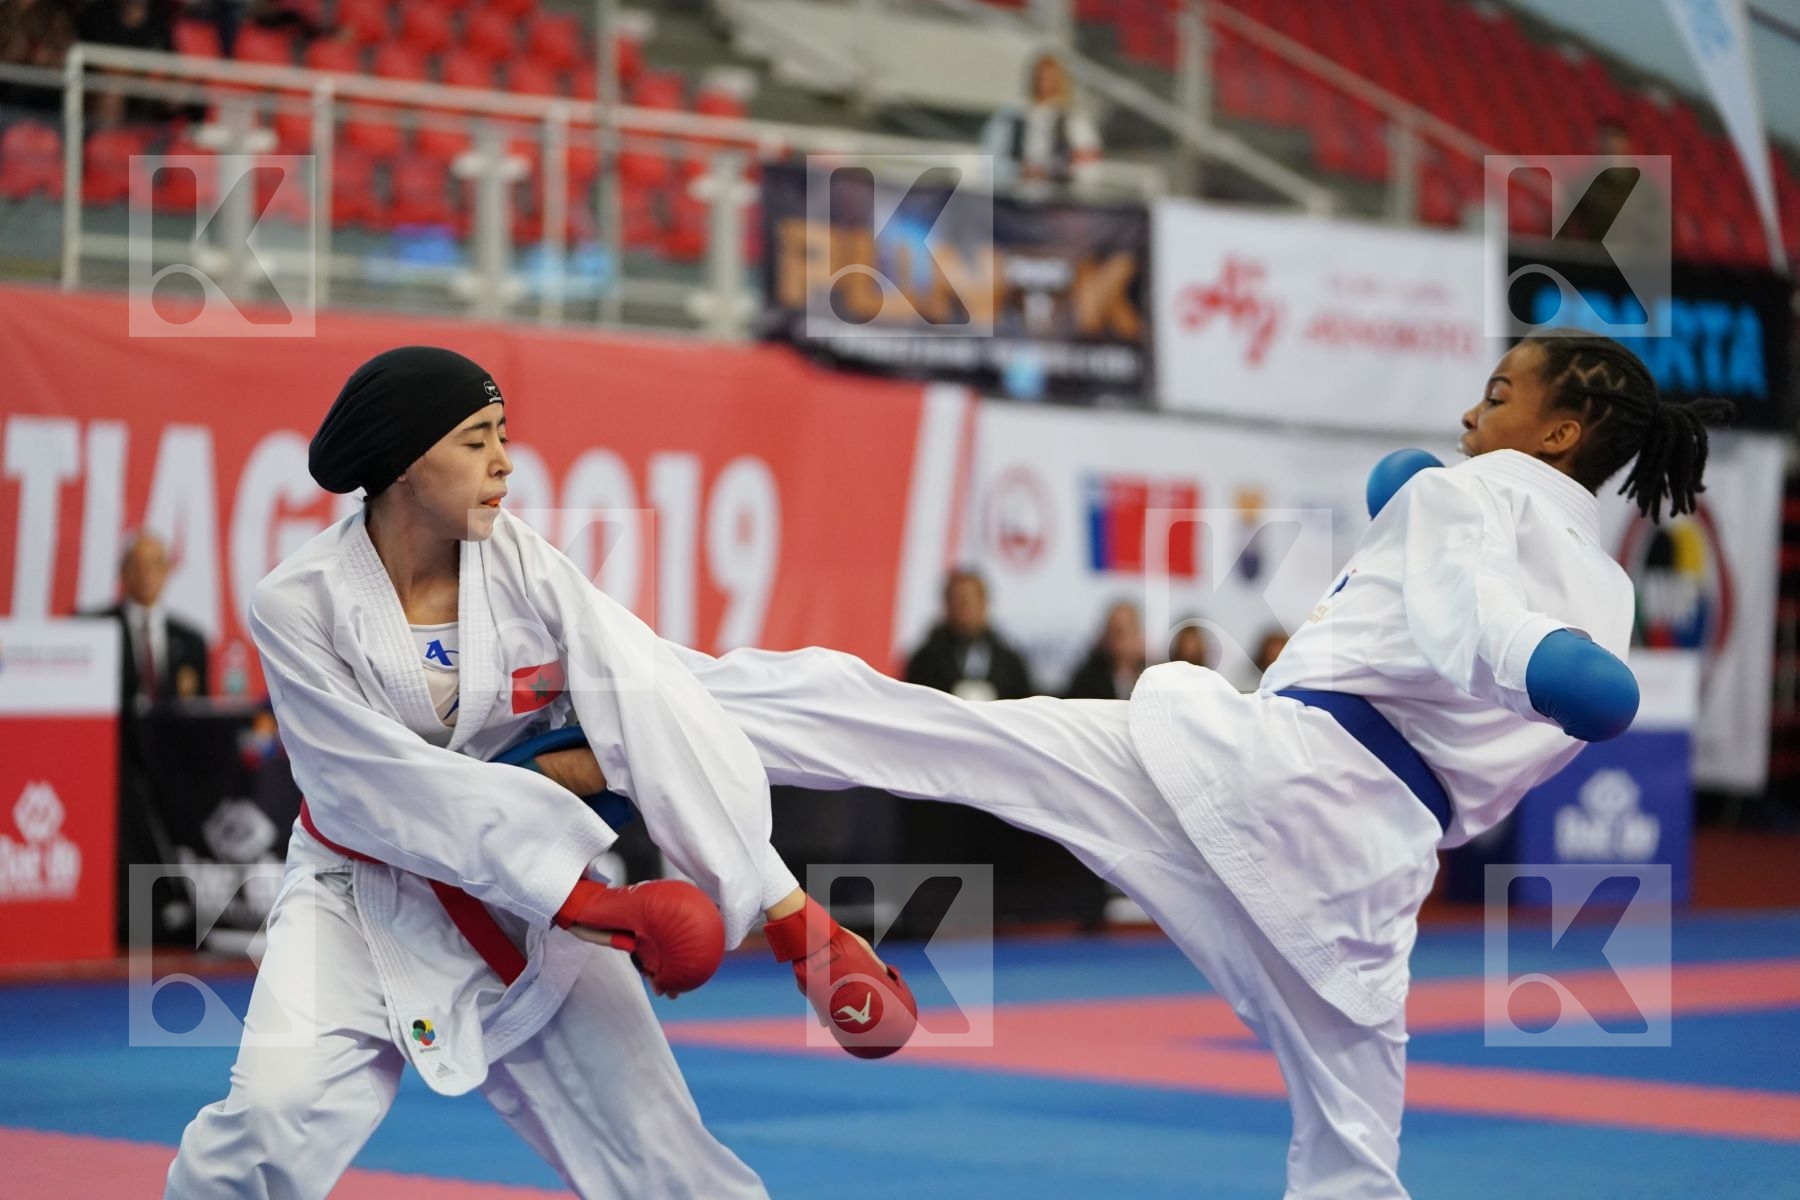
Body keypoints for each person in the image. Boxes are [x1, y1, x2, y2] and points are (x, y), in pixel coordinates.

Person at [593, 331, 1717, 1197]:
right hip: (1368, 870)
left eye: (1503, 394)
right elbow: (1509, 727)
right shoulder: (1606, 596)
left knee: (933, 731)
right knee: (1352, 1154)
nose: (1472, 410)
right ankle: (627, 702)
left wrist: (1529, 654)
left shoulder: (1454, 497)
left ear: (1563, 431)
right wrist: (1546, 661)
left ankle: (618, 695)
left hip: (1264, 771)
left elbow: (1469, 613)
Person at [165, 347, 915, 1200]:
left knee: (667, 1165)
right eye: (476, 439)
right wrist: (588, 898)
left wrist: (794, 923)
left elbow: (651, 706)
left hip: (527, 911)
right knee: (265, 1120)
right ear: (407, 462)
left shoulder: (526, 568)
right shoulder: (297, 602)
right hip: (356, 902)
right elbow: (374, 784)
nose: (504, 463)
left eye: (504, 436)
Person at [905, 568, 1035, 702]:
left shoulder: (1009, 662)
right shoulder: (925, 661)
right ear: (947, 605)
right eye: (959, 601)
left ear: (984, 603)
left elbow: (1024, 708)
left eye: (970, 601)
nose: (965, 609)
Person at [981, 50, 1101, 193]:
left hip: (1057, 200)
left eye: (1051, 77)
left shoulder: (1072, 119)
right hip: (1015, 196)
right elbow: (991, 155)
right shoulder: (1012, 113)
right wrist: (1018, 171)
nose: (1045, 82)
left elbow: (1088, 163)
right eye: (1041, 76)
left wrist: (1052, 173)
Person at [1063, 600, 1145, 700]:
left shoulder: (1153, 675)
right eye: (1114, 631)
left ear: (1138, 633)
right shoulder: (1088, 680)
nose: (1119, 639)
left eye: (1124, 631)